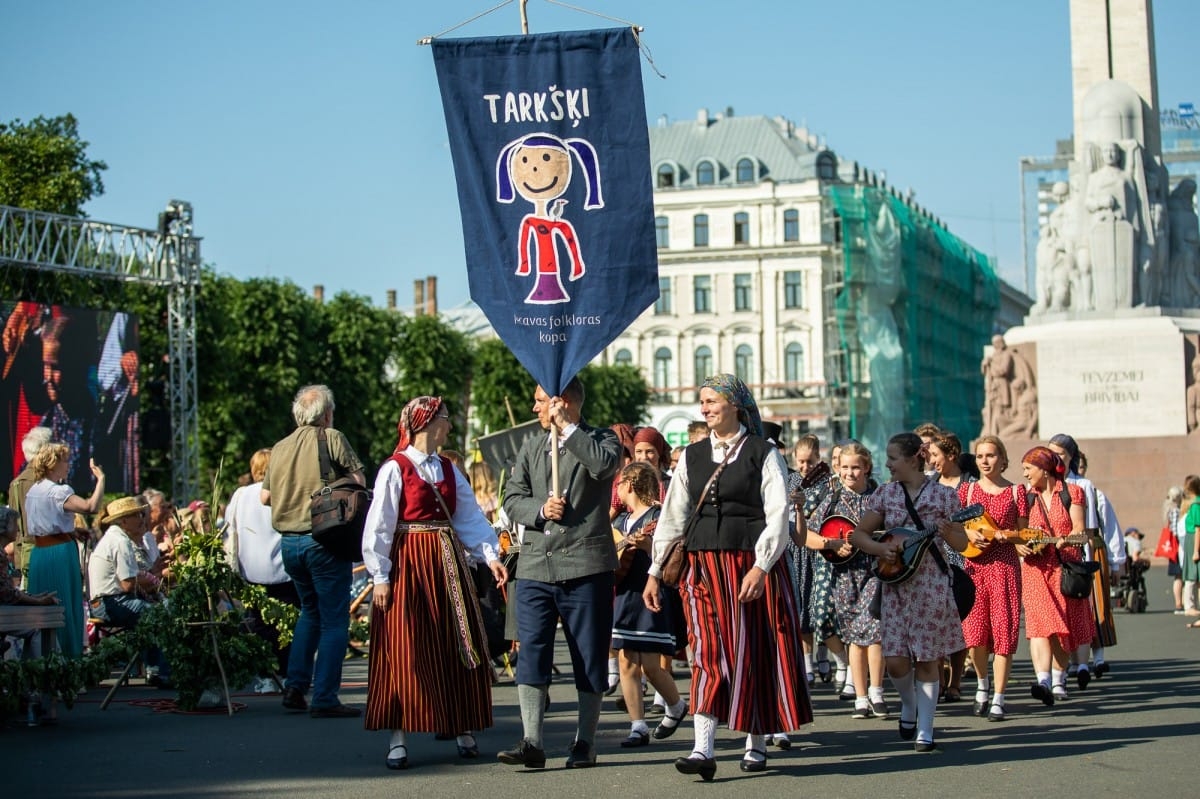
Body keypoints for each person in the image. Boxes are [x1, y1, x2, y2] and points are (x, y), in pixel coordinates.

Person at [643, 374, 811, 779]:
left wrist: (761, 566)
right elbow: (673, 516)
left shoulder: (763, 452)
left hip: (749, 564)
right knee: (706, 651)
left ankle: (755, 741)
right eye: (701, 402)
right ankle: (703, 748)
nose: (705, 408)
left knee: (751, 649)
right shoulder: (692, 456)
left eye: (712, 400)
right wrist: (654, 570)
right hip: (702, 565)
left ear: (735, 404)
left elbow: (777, 516)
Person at [362, 396, 506, 770]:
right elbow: (379, 525)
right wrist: (380, 575)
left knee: (456, 638)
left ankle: (462, 727)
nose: (449, 426)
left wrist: (490, 556)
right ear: (426, 423)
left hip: (446, 564)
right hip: (408, 562)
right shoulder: (395, 469)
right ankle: (398, 737)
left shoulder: (447, 468)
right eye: (444, 418)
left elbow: (469, 517)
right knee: (405, 644)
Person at [499, 377, 620, 770]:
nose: (534, 409)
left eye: (539, 401)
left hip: (585, 566)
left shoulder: (602, 438)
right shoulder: (532, 445)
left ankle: (585, 742)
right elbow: (511, 498)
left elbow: (603, 466)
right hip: (535, 565)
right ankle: (531, 740)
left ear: (561, 402)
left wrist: (566, 429)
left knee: (588, 655)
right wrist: (539, 509)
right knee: (531, 649)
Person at [848, 432, 967, 753]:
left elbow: (963, 544)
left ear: (914, 458)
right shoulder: (886, 494)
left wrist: (948, 532)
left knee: (929, 659)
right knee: (896, 660)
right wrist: (879, 549)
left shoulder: (943, 497)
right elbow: (858, 534)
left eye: (893, 459)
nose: (887, 464)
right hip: (895, 586)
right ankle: (909, 705)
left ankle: (925, 730)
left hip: (931, 586)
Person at [261, 384, 365, 718]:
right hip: (323, 538)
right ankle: (324, 698)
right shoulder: (330, 437)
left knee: (310, 612)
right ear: (325, 413)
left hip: (288, 544)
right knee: (335, 620)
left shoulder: (278, 447)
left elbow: (265, 497)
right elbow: (359, 481)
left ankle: (294, 686)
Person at [804, 440, 887, 721]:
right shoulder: (832, 499)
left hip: (875, 571)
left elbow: (895, 529)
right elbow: (806, 535)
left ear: (867, 468)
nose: (850, 473)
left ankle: (877, 692)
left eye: (856, 468)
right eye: (845, 468)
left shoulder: (879, 497)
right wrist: (830, 544)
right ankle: (860, 698)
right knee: (854, 636)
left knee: (875, 632)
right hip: (844, 574)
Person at [610, 461, 687, 748]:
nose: (617, 490)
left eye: (619, 484)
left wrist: (646, 545)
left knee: (651, 666)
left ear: (629, 484)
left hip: (651, 595)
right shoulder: (619, 523)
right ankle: (638, 726)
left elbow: (671, 550)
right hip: (625, 596)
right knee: (626, 661)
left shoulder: (658, 516)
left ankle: (677, 705)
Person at [954, 435, 1027, 722]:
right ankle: (982, 685)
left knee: (1004, 632)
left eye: (991, 455)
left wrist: (1005, 535)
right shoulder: (967, 492)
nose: (985, 461)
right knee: (975, 634)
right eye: (981, 456)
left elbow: (1023, 533)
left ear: (1003, 459)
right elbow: (953, 527)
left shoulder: (1016, 492)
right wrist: (970, 534)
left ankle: (999, 696)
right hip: (974, 567)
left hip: (1005, 567)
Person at [1017, 446, 1091, 705]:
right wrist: (1021, 545)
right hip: (1035, 568)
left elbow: (1081, 530)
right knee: (1039, 625)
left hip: (1064, 566)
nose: (1025, 474)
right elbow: (1020, 533)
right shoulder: (1025, 497)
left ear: (1044, 469)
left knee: (1060, 626)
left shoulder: (1072, 493)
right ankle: (1043, 680)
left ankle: (1059, 679)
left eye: (1028, 469)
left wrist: (1064, 540)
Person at [24, 442, 104, 658]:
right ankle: (68, 662)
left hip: (39, 554)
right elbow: (90, 507)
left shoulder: (33, 491)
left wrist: (71, 531)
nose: (68, 465)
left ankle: (40, 660)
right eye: (65, 460)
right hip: (60, 554)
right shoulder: (59, 491)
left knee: (42, 609)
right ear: (52, 464)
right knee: (65, 607)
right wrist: (101, 480)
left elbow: (42, 526)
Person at [225, 448, 298, 678]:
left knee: (258, 624)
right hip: (282, 567)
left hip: (251, 569)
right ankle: (287, 673)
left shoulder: (240, 495)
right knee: (287, 623)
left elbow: (230, 529)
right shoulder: (283, 491)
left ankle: (265, 676)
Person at [87, 496, 169, 683]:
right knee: (160, 615)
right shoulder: (121, 541)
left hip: (104, 602)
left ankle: (154, 668)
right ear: (124, 520)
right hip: (111, 603)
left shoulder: (115, 537)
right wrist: (152, 585)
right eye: (136, 515)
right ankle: (162, 672)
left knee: (155, 612)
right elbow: (128, 584)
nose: (141, 519)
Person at [926, 432, 974, 703]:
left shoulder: (971, 484)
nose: (931, 462)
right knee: (936, 624)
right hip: (934, 562)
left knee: (958, 623)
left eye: (935, 456)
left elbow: (980, 518)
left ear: (951, 455)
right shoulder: (929, 485)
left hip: (962, 559)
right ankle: (940, 681)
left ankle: (955, 682)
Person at [7, 426, 51, 585]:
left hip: (26, 556)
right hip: (49, 555)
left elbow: (14, 528)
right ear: (45, 452)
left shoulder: (16, 484)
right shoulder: (47, 482)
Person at [1180, 475, 1200, 628]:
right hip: (1191, 540)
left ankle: (1190, 605)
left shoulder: (1195, 505)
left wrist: (1195, 551)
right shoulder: (1195, 504)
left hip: (1193, 540)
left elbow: (1198, 529)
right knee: (1192, 576)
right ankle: (1189, 605)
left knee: (1192, 576)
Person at [1164, 486, 1185, 613]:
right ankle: (1179, 603)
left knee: (1178, 576)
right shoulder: (1175, 511)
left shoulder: (1168, 509)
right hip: (1177, 548)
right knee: (1179, 576)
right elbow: (1176, 531)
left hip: (1173, 547)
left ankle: (1179, 603)